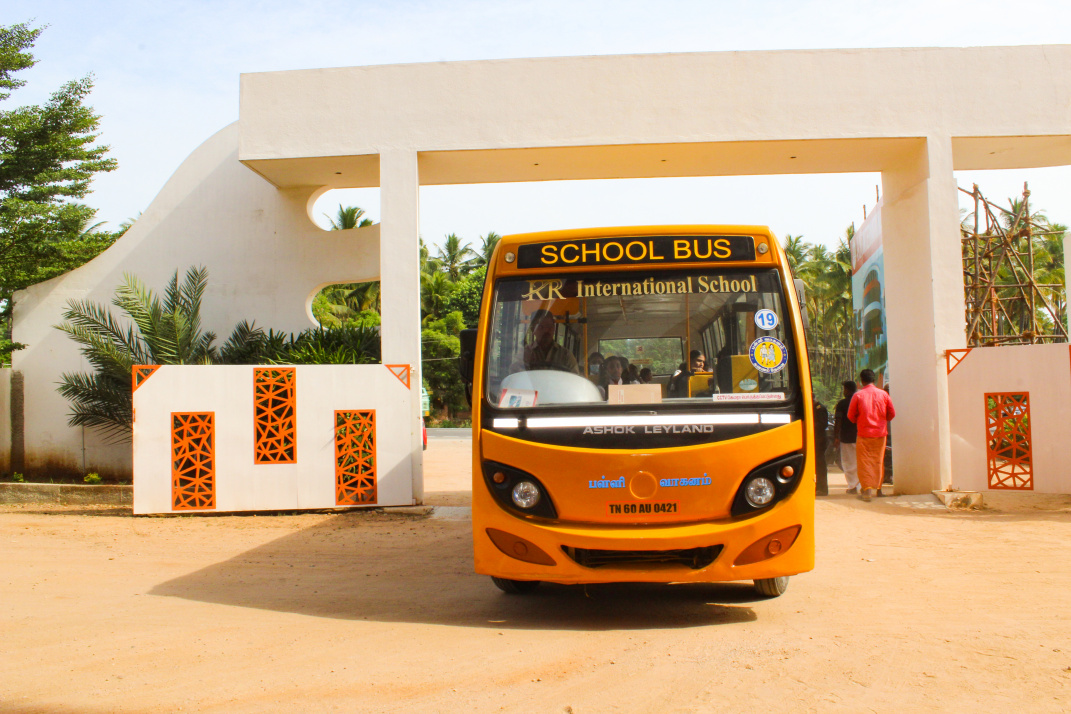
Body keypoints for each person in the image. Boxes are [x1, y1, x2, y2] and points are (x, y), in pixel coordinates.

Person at [847, 369, 895, 501]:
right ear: (873, 380)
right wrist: (882, 421)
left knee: (864, 462)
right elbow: (891, 413)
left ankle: (867, 490)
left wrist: (860, 421)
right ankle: (879, 489)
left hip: (864, 433)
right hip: (880, 434)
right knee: (878, 461)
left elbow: (851, 416)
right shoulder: (884, 394)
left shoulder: (858, 395)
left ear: (862, 381)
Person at [508, 309, 579, 374]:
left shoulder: (566, 356)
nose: (546, 330)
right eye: (541, 327)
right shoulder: (524, 354)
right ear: (533, 329)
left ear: (554, 328)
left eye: (549, 326)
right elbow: (514, 377)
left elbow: (574, 380)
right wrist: (525, 365)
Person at [832, 380, 859, 494]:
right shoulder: (860, 401)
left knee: (848, 462)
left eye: (844, 389)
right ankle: (861, 485)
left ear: (847, 390)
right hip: (860, 436)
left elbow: (838, 421)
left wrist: (836, 436)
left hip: (846, 437)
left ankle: (852, 486)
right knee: (859, 462)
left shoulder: (842, 404)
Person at [814, 399, 829, 496]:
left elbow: (823, 424)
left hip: (819, 440)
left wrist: (810, 424)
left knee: (820, 465)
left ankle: (823, 489)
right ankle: (817, 487)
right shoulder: (814, 407)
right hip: (815, 440)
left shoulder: (820, 408)